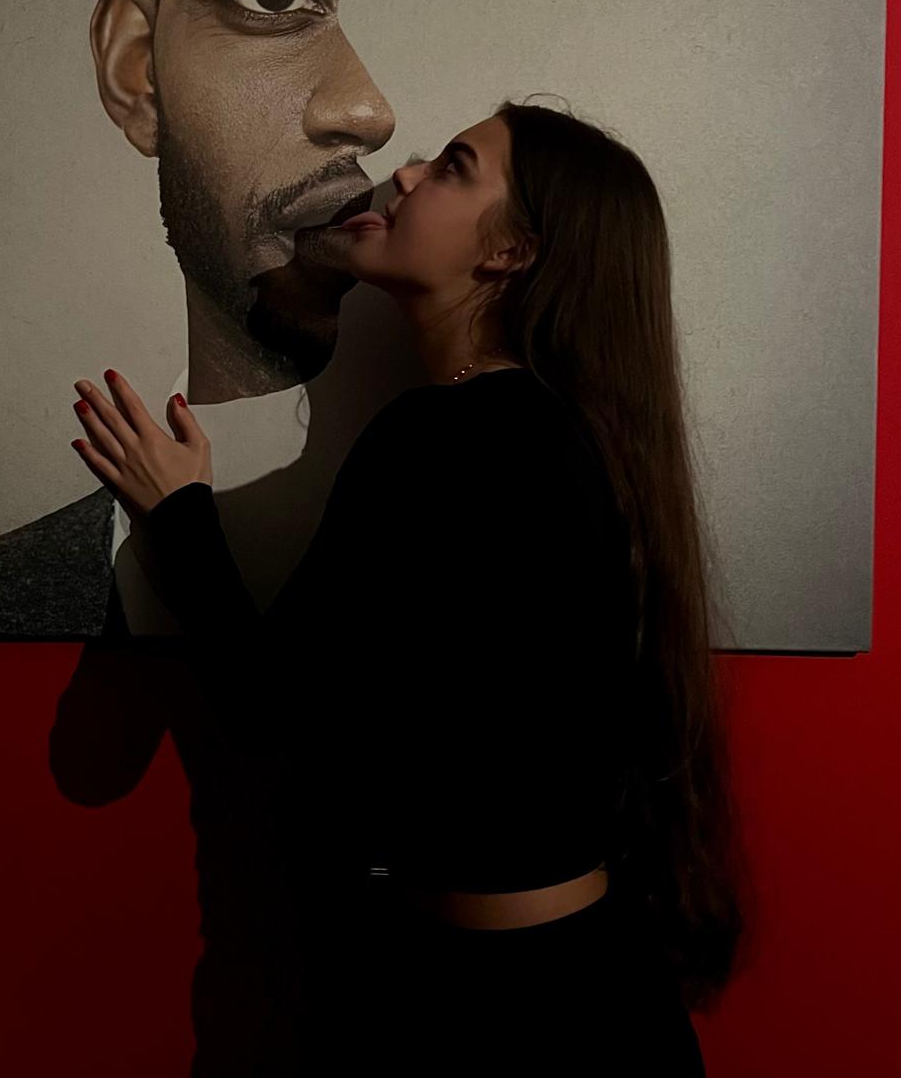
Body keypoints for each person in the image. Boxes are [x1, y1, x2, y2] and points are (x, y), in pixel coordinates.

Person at [67, 100, 759, 1074]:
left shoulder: (441, 437)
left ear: (511, 251)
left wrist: (180, 513)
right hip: (597, 989)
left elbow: (264, 707)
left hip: (485, 1015)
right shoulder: (574, 439)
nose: (402, 174)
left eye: (452, 167)